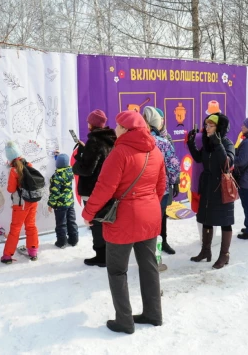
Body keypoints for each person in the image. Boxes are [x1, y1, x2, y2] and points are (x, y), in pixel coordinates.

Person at [82, 111, 166, 334]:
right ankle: (153, 313)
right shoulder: (155, 150)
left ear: (127, 130)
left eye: (118, 125)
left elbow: (103, 189)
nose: (115, 129)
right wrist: (149, 206)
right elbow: (161, 186)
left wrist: (88, 214)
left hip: (123, 220)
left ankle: (124, 321)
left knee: (117, 271)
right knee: (149, 268)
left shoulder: (120, 153)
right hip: (150, 217)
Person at [187, 113, 235, 269]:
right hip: (208, 185)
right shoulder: (208, 143)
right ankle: (205, 251)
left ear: (219, 127)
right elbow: (200, 158)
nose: (206, 128)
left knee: (225, 222)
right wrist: (191, 143)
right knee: (206, 218)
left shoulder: (227, 143)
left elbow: (226, 163)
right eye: (206, 125)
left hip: (222, 188)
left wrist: (217, 142)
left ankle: (224, 255)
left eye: (210, 125)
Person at [73, 109, 117, 267]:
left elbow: (86, 169)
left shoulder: (95, 141)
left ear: (92, 123)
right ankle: (108, 254)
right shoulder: (110, 140)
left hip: (92, 189)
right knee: (104, 223)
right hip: (107, 188)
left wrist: (77, 162)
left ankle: (101, 256)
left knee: (95, 224)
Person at [143, 107, 180, 255]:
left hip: (143, 191)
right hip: (161, 189)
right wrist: (171, 181)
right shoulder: (163, 142)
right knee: (158, 218)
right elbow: (173, 166)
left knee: (151, 220)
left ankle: (150, 249)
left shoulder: (136, 140)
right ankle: (156, 248)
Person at [1, 141, 40, 264]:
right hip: (33, 201)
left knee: (15, 229)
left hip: (20, 204)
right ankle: (33, 252)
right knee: (31, 226)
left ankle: (7, 256)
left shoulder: (13, 171)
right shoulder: (29, 164)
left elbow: (11, 189)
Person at [47, 153, 78, 249]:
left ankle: (61, 242)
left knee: (61, 223)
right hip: (70, 202)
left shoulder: (56, 176)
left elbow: (54, 193)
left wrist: (50, 204)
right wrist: (59, 156)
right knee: (71, 221)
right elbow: (63, 164)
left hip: (60, 204)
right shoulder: (70, 171)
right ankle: (74, 240)